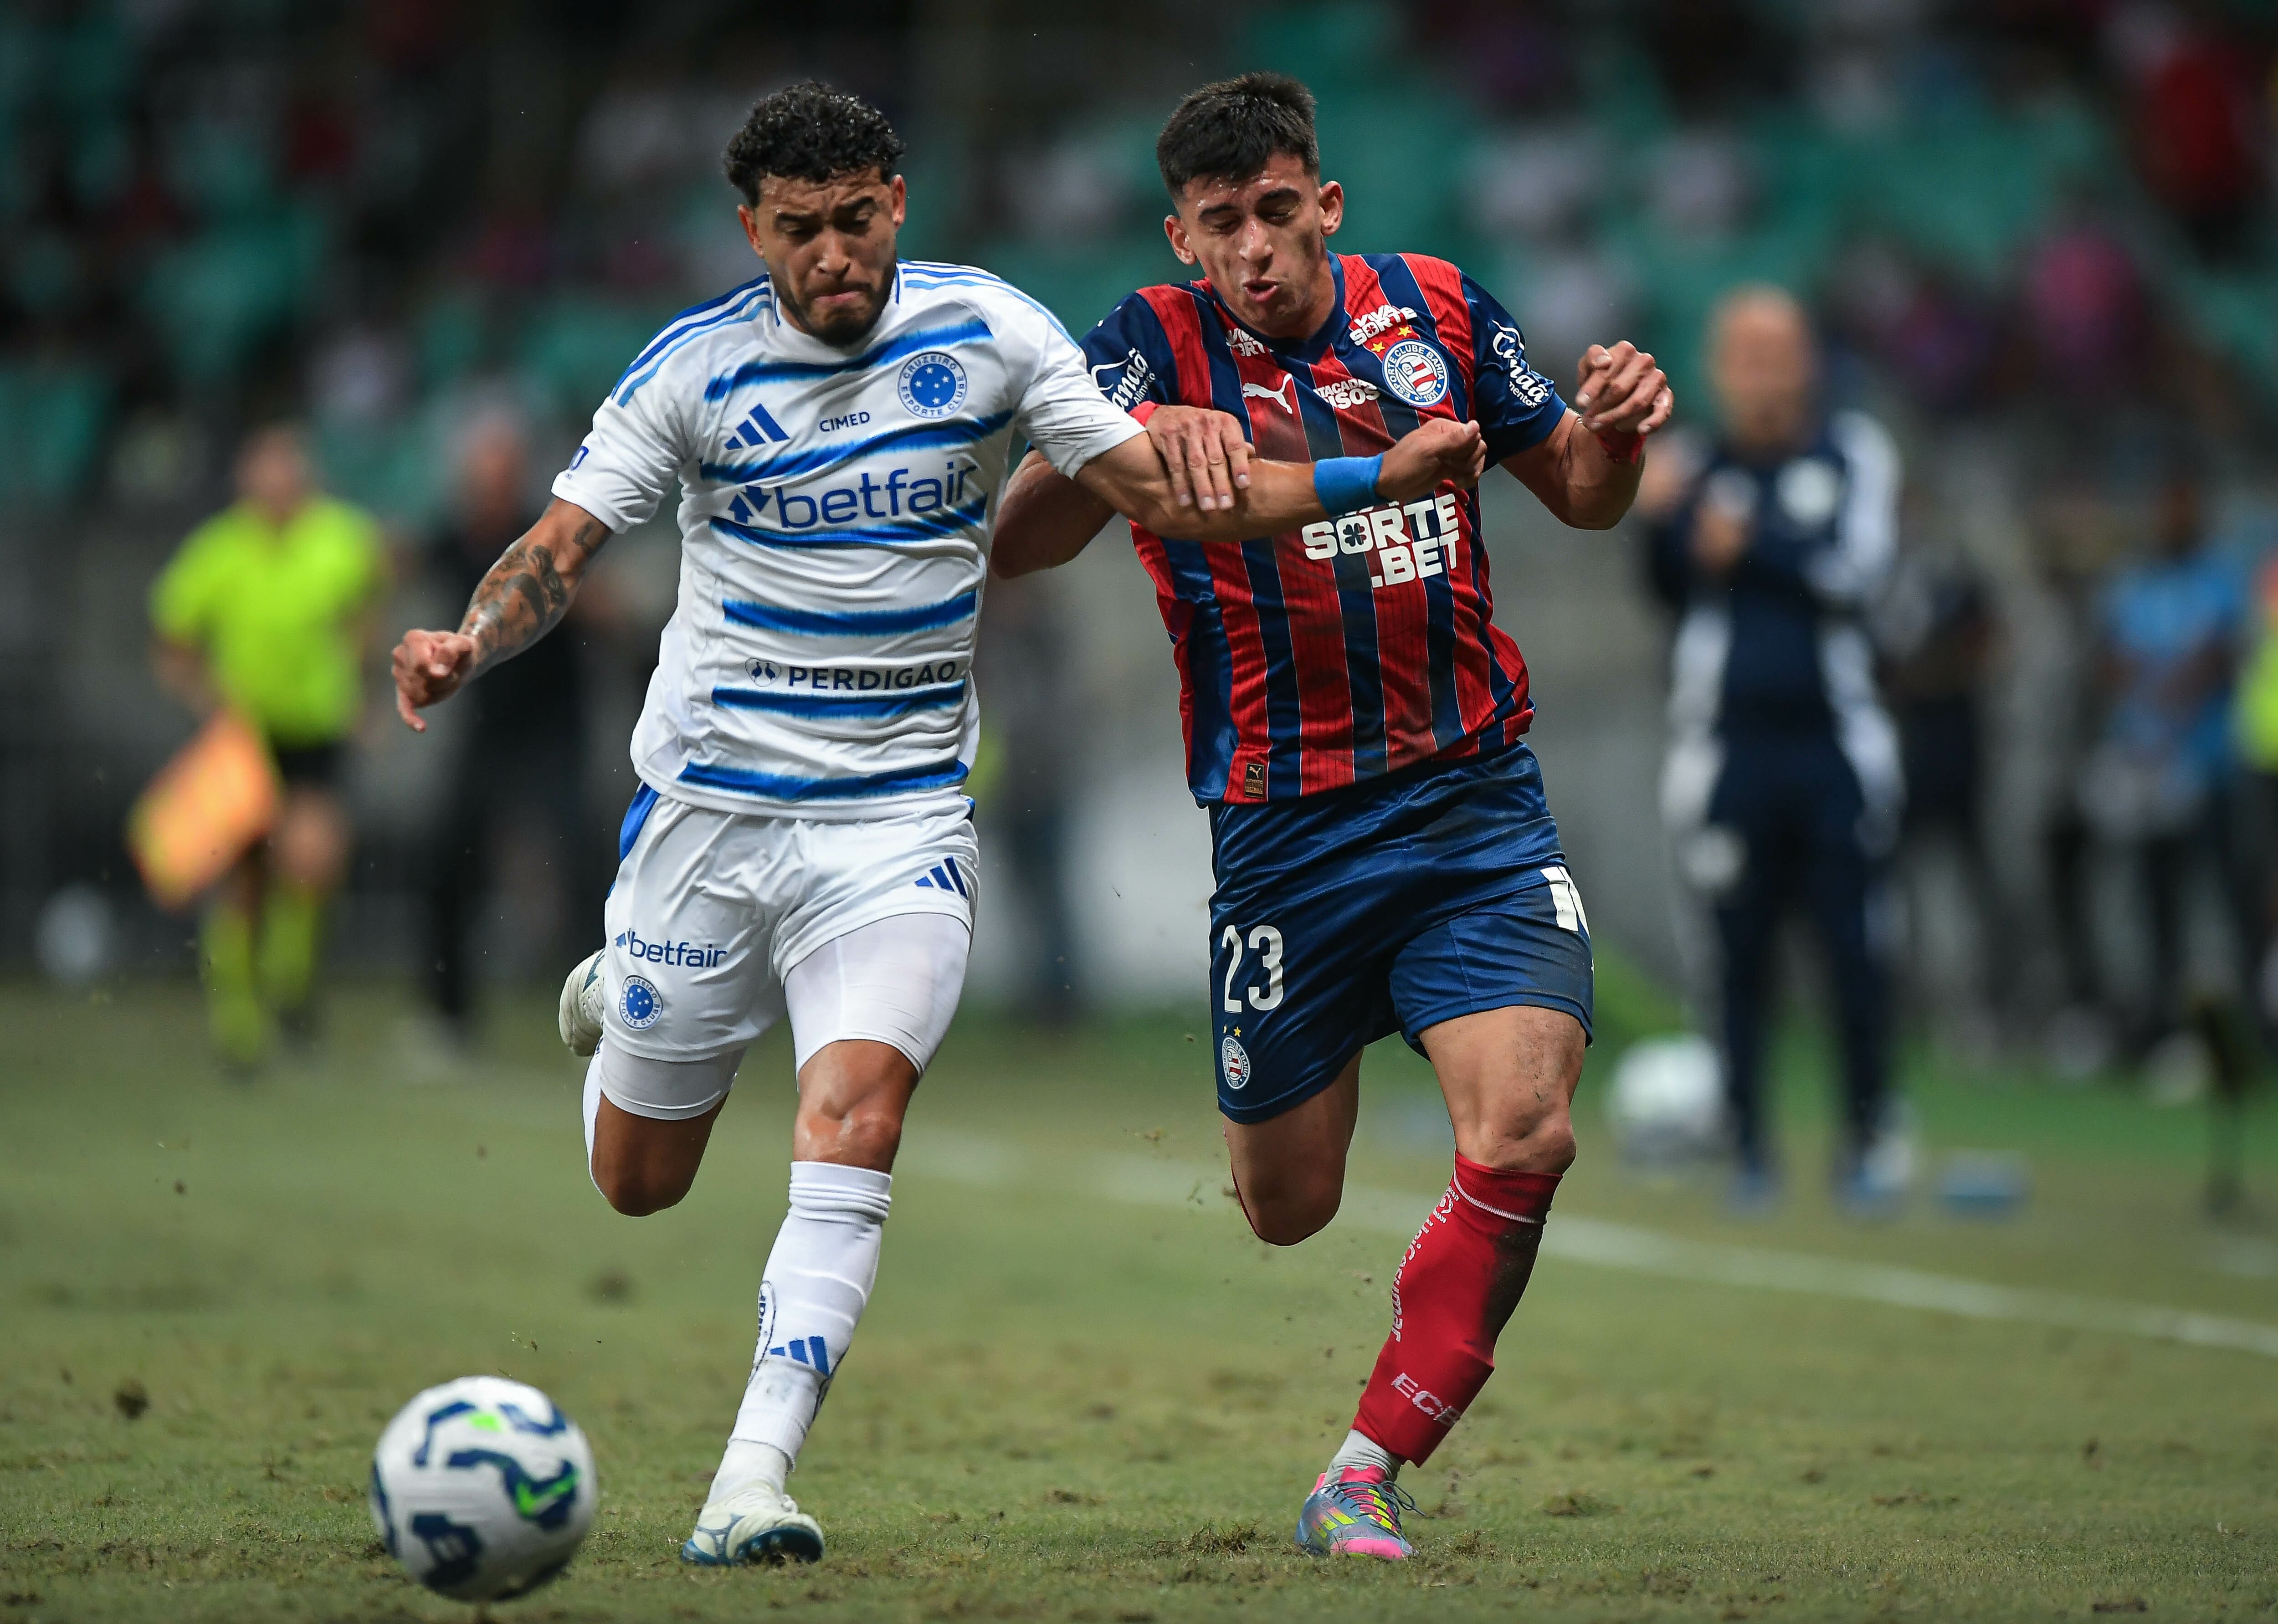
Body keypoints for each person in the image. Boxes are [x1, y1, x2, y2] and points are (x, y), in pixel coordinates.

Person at [388, 82, 1483, 1568]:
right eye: (798, 231)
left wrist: (1368, 474)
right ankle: (614, 1003)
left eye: (855, 221)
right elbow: (564, 543)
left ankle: (750, 1480)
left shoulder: (994, 332)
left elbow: (1162, 489)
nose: (833, 255)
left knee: (856, 1117)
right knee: (640, 1179)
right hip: (710, 812)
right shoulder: (692, 370)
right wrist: (465, 639)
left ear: (895, 202)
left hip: (898, 814)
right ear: (749, 229)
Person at [991, 73, 1673, 1562]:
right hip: (1286, 837)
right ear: (1183, 237)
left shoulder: (1433, 304)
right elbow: (1020, 540)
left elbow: (1579, 489)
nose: (1256, 249)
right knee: (1287, 1205)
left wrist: (1614, 438)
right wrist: (1122, 454)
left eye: (1279, 212)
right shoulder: (1140, 347)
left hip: (1474, 805)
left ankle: (1363, 1466)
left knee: (1529, 1130)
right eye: (1222, 224)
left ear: (1329, 206)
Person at [1641, 287, 1904, 1213]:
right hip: (1725, 749)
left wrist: (1747, 542)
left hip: (1835, 741)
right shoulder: (1689, 463)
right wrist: (1653, 518)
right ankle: (1747, 1141)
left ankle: (1871, 1137)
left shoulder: (1852, 453)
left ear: (1807, 361)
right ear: (1716, 368)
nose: (1759, 373)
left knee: (1854, 947)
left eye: (1776, 352)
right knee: (1734, 952)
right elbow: (1669, 588)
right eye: (1741, 354)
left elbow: (1857, 574)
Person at [150, 423, 387, 1067]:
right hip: (244, 738)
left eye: (289, 467)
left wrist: (363, 689)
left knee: (312, 859)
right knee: (242, 877)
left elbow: (365, 613)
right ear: (245, 478)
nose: (279, 482)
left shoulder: (341, 538)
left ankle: (289, 980)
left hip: (316, 728)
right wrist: (208, 703)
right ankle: (238, 1019)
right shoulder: (217, 551)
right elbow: (173, 642)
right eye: (267, 468)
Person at [421, 412, 605, 1045]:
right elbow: (395, 568)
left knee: (577, 861)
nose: (491, 486)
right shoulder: (454, 539)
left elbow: (603, 598)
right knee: (449, 859)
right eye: (481, 475)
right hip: (489, 728)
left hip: (553, 727)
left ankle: (604, 1005)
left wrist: (591, 606)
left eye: (502, 473)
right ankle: (448, 1014)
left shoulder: (544, 535)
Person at [2084, 461, 2251, 1050]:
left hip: (2208, 767)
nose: (2169, 517)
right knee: (2155, 902)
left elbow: (2221, 656)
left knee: (2229, 901)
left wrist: (2168, 680)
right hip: (2146, 768)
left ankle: (2247, 1028)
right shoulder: (2135, 583)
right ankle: (2162, 1025)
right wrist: (2145, 679)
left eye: (2179, 505)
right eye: (2162, 505)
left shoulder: (2219, 577)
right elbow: (2109, 659)